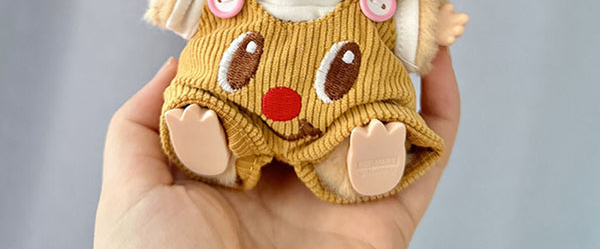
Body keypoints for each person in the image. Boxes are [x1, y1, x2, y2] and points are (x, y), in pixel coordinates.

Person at [94, 46, 460, 249]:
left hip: (338, 112)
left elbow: (415, 26)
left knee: (366, 117)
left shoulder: (374, 2)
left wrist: (431, 20)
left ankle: (362, 157)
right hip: (242, 103)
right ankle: (212, 142)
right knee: (213, 105)